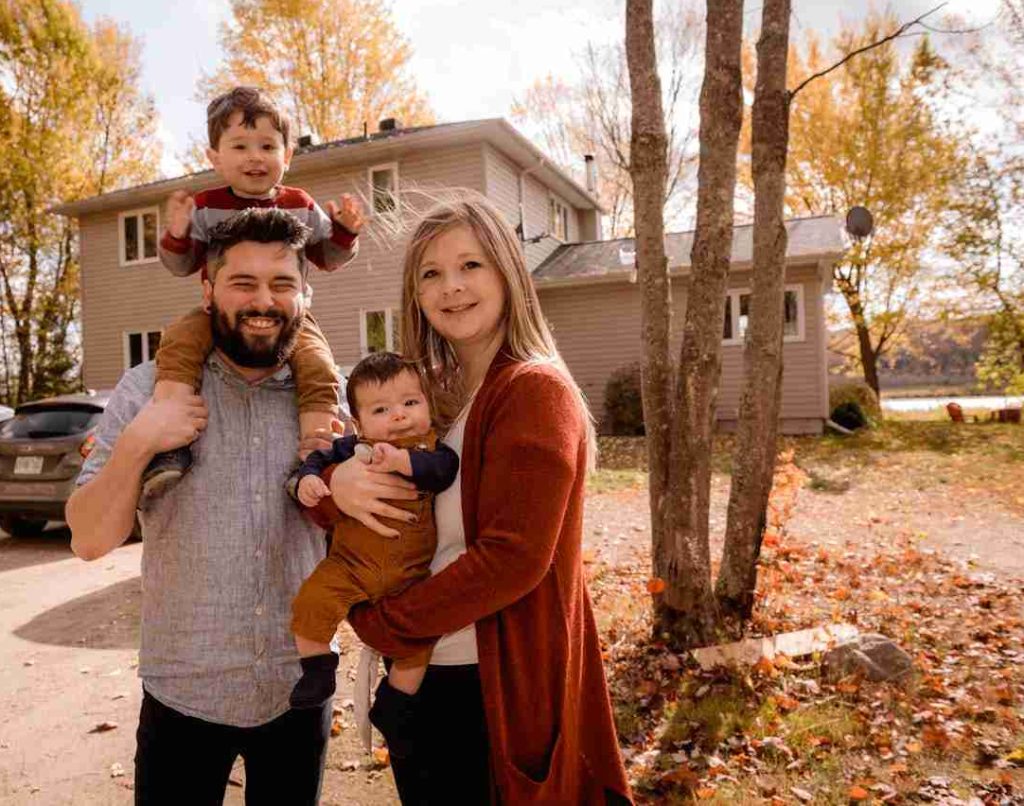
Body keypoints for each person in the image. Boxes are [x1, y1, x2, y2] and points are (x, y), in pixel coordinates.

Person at [66, 208, 406, 805]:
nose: (263, 301)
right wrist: (142, 440)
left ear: (305, 291)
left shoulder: (331, 408)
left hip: (297, 691)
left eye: (281, 284)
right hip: (182, 692)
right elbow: (89, 540)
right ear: (207, 290)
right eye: (243, 283)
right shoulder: (149, 388)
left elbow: (383, 537)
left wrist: (349, 495)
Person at [324, 196, 634, 803]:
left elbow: (512, 559)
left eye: (471, 266)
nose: (452, 288)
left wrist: (382, 624)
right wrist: (337, 483)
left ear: (507, 274)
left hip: (487, 687)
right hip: (428, 678)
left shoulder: (533, 390)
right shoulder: (431, 400)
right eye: (431, 273)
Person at [145, 85, 365, 498]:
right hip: (219, 314)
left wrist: (346, 232)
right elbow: (181, 265)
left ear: (288, 155)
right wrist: (177, 234)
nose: (254, 157)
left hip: (291, 319)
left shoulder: (300, 204)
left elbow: (327, 257)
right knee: (178, 344)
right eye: (240, 146)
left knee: (319, 365)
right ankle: (169, 444)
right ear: (214, 157)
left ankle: (316, 455)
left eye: (267, 145)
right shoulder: (206, 206)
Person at [288, 351, 458, 714]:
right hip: (350, 564)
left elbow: (444, 471)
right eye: (380, 410)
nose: (398, 415)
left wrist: (403, 461)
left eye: (410, 402)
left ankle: (395, 702)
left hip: (410, 574)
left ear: (428, 404)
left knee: (418, 643)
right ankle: (318, 669)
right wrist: (310, 479)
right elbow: (319, 457)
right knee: (310, 603)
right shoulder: (354, 447)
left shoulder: (432, 448)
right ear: (359, 424)